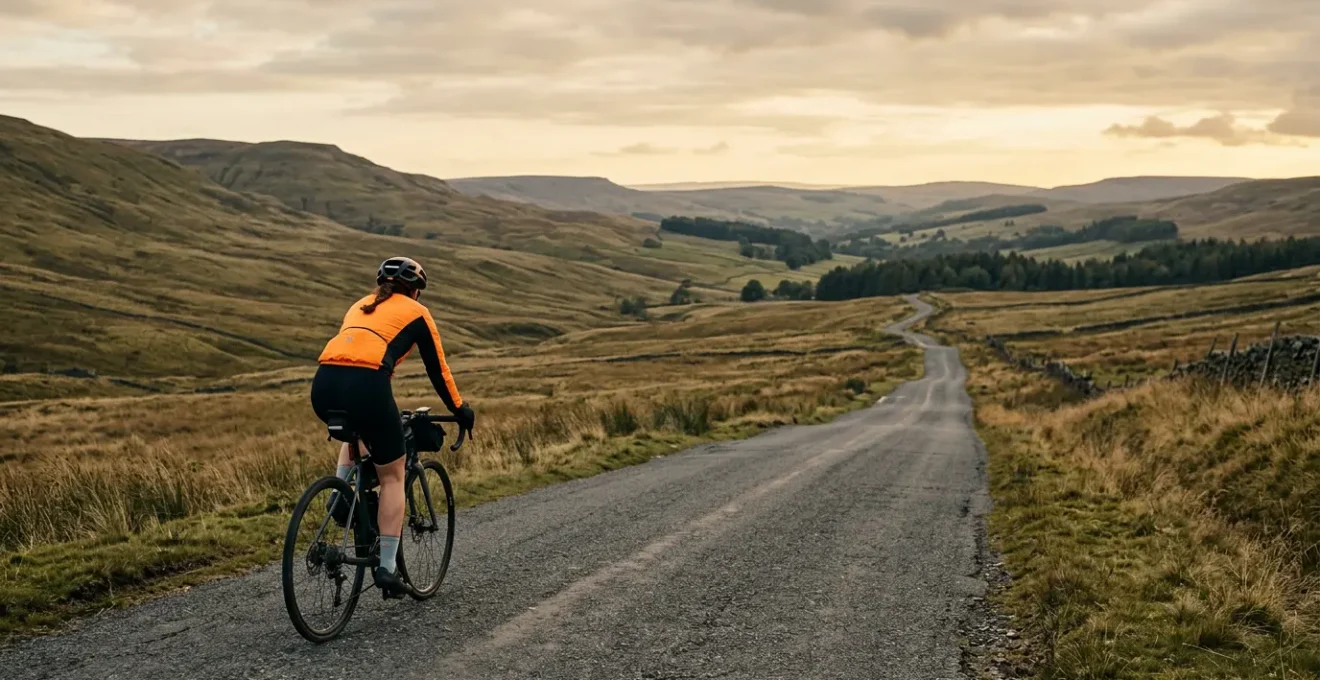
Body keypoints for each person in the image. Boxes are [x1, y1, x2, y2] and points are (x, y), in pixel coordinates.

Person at [310, 256, 475, 597]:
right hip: (367, 386)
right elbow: (438, 370)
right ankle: (386, 567)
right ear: (415, 291)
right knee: (393, 474)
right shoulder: (418, 313)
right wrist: (460, 409)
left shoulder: (361, 305)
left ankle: (341, 493)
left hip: (323, 384)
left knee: (356, 430)